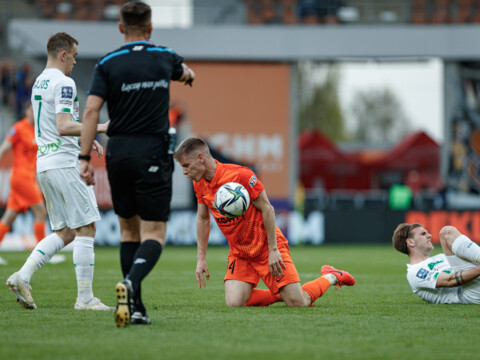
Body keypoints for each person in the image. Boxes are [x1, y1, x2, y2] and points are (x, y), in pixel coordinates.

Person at [79, 1, 195, 327]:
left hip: (117, 153)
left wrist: (84, 157)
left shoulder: (107, 63)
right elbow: (184, 72)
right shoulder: (164, 56)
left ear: (120, 27)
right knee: (154, 233)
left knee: (128, 231)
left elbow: (90, 113)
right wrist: (188, 76)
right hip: (152, 154)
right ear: (150, 26)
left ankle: (137, 308)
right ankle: (130, 285)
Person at [174, 137, 355, 308]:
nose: (184, 172)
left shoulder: (241, 175)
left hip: (265, 245)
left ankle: (331, 276)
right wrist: (201, 259)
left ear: (201, 158)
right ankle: (282, 293)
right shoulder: (199, 183)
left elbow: (267, 209)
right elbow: (203, 218)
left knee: (298, 302)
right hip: (240, 252)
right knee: (235, 303)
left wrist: (273, 250)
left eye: (186, 166)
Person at [5, 32, 112, 311]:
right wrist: (98, 128)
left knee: (66, 232)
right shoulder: (64, 82)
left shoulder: (39, 81)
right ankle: (85, 298)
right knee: (86, 227)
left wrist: (86, 143)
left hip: (46, 163)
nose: (75, 61)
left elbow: (57, 127)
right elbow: (64, 125)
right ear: (63, 54)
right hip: (64, 164)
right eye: (74, 55)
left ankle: (23, 276)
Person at [0, 103, 47, 266]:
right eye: (32, 110)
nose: (35, 114)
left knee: (9, 217)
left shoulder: (39, 131)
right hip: (21, 178)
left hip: (28, 178)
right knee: (41, 211)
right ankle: (44, 253)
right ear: (27, 111)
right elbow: (4, 148)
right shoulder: (18, 128)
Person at [392, 223, 480, 304]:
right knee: (446, 232)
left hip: (474, 283)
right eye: (423, 234)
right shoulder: (415, 272)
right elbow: (450, 280)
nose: (429, 235)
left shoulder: (441, 256)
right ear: (410, 242)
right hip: (466, 294)